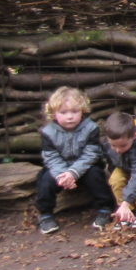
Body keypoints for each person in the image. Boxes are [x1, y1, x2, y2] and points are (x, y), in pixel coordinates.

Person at [35, 86, 115, 234]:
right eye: (63, 112)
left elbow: (91, 153)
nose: (69, 117)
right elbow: (51, 156)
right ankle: (45, 214)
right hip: (60, 168)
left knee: (96, 176)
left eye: (74, 111)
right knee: (45, 180)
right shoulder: (48, 132)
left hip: (85, 166)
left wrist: (73, 173)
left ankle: (105, 208)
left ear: (83, 111)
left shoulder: (91, 128)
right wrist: (62, 175)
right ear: (53, 114)